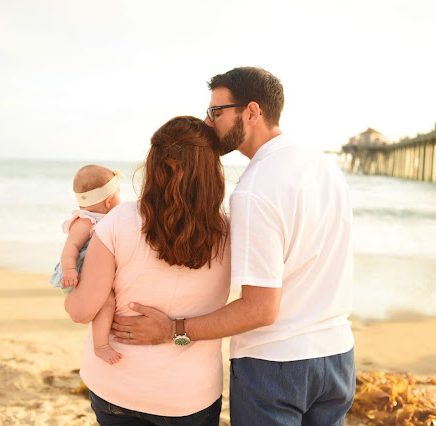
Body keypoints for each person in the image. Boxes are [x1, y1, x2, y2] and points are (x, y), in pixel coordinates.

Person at [112, 67, 356, 425]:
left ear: (252, 112)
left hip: (276, 365)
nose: (208, 123)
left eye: (217, 112)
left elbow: (260, 310)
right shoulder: (325, 167)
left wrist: (173, 330)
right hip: (337, 357)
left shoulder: (255, 189)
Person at [65, 116, 231, 425]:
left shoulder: (118, 220)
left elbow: (81, 310)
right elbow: (253, 308)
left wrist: (69, 291)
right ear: (210, 171)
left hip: (116, 386)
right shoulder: (231, 231)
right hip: (189, 395)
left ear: (153, 164)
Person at [50, 165, 122, 364]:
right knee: (106, 302)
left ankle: (101, 343)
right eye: (118, 195)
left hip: (96, 274)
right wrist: (70, 270)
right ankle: (100, 346)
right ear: (109, 201)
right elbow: (70, 248)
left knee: (108, 302)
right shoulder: (86, 221)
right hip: (79, 275)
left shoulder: (109, 220)